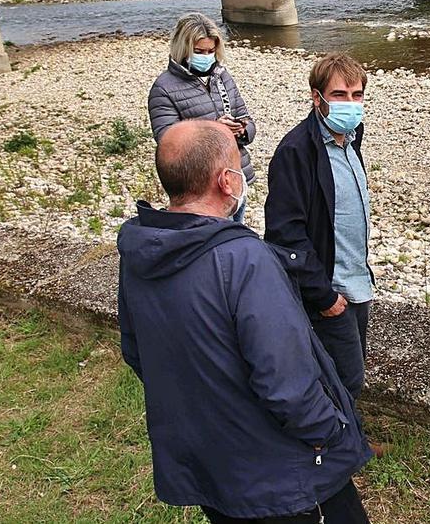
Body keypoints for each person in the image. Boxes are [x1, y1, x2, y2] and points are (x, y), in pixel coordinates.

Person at [117, 119, 371, 524]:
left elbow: (136, 349)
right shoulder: (244, 259)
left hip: (212, 467)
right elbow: (287, 385)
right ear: (226, 182)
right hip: (281, 479)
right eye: (238, 166)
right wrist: (334, 431)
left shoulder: (141, 248)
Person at [265, 53, 373, 404]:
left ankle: (344, 441)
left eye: (357, 95)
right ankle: (331, 452)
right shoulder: (296, 151)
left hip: (357, 281)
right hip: (330, 287)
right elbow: (284, 233)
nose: (351, 104)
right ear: (317, 98)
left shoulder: (351, 138)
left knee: (349, 373)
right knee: (342, 379)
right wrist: (323, 296)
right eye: (340, 95)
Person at [149, 13, 256, 224]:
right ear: (183, 49)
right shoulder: (163, 88)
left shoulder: (222, 77)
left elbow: (247, 120)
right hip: (199, 192)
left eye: (210, 51)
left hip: (234, 180)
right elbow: (168, 145)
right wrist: (216, 130)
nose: (206, 56)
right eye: (199, 52)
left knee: (234, 238)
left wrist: (241, 131)